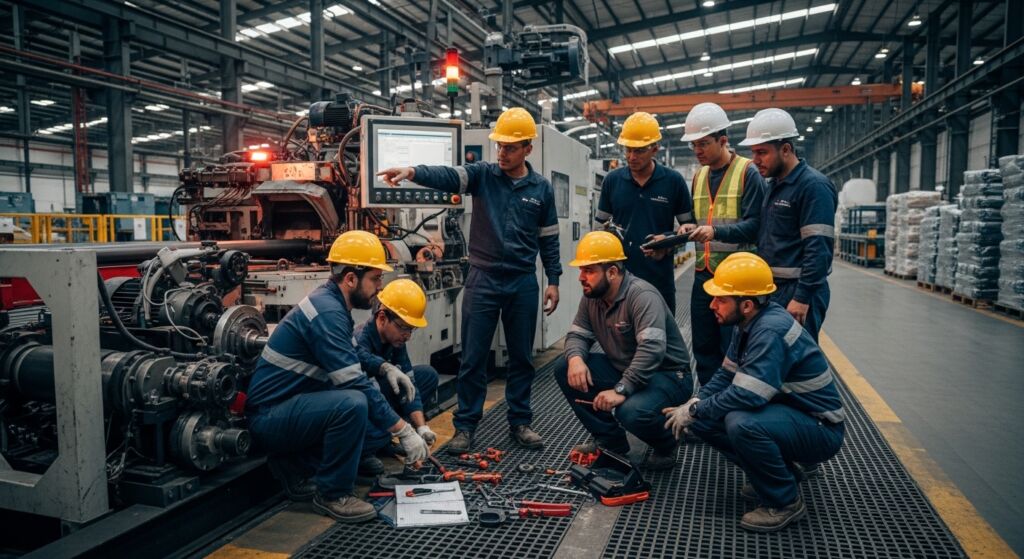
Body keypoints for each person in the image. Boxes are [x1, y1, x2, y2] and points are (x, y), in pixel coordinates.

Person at [376, 107, 561, 453]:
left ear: (527, 149)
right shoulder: (483, 176)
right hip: (483, 278)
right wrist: (413, 171)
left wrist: (554, 279)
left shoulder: (542, 190)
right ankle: (466, 427)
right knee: (474, 358)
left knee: (521, 358)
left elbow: (549, 239)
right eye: (499, 146)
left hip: (522, 281)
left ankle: (520, 422)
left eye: (509, 147)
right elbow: (447, 175)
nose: (501, 153)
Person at [245, 231, 431, 523]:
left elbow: (355, 354)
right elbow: (353, 381)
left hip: (287, 409)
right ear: (351, 278)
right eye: (375, 279)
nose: (379, 288)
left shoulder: (333, 305)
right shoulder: (328, 312)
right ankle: (333, 493)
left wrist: (384, 368)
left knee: (352, 402)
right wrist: (402, 430)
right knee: (352, 403)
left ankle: (294, 467)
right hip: (270, 417)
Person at [663, 252, 845, 532]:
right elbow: (725, 376)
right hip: (793, 414)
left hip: (820, 427)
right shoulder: (747, 324)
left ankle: (785, 501)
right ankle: (778, 476)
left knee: (741, 423)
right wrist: (695, 403)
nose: (712, 305)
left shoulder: (769, 331)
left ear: (746, 304)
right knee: (708, 420)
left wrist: (695, 410)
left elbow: (749, 396)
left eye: (720, 299)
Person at [688, 108, 837, 341]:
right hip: (773, 288)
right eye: (753, 152)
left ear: (786, 149)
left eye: (762, 152)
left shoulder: (813, 186)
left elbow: (819, 249)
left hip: (797, 289)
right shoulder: (775, 186)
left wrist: (802, 297)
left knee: (796, 360)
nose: (755, 159)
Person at [554, 231, 693, 470]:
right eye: (581, 270)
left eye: (589, 271)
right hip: (627, 368)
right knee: (564, 366)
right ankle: (611, 442)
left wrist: (621, 389)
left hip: (668, 375)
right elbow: (578, 333)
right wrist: (576, 358)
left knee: (631, 411)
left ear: (612, 272)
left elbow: (652, 350)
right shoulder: (592, 296)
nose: (581, 277)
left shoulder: (642, 296)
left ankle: (667, 443)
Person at [678, 102, 766, 385]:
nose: (697, 150)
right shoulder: (699, 176)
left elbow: (756, 227)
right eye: (694, 145)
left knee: (733, 348)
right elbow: (699, 218)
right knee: (703, 347)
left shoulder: (748, 173)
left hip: (737, 283)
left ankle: (731, 407)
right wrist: (689, 227)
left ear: (723, 141)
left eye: (703, 143)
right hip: (704, 276)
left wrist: (713, 232)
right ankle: (706, 405)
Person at [594, 111, 695, 315]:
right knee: (621, 340)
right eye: (628, 150)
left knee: (659, 338)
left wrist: (666, 242)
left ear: (655, 148)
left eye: (639, 151)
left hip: (659, 279)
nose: (631, 157)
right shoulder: (612, 181)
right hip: (620, 279)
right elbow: (599, 231)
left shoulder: (673, 182)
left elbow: (690, 229)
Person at [355, 278, 440, 463]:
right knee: (375, 432)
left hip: (379, 401)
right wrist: (403, 431)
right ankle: (364, 454)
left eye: (412, 329)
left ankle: (384, 438)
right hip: (365, 407)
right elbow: (372, 398)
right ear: (383, 318)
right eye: (404, 328)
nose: (408, 336)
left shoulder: (396, 341)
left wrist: (421, 428)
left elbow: (410, 384)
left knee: (427, 375)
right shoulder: (360, 341)